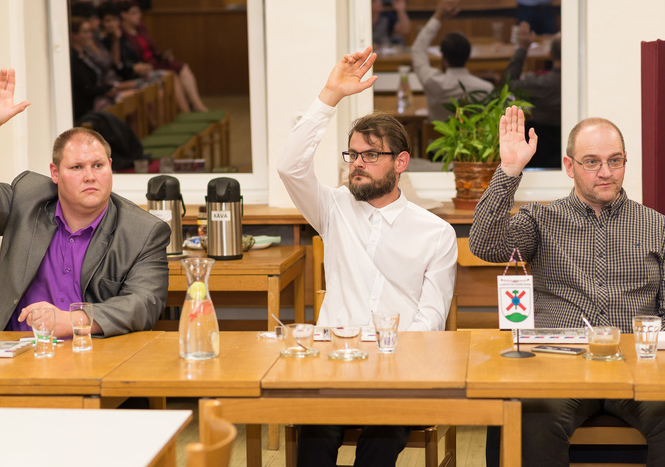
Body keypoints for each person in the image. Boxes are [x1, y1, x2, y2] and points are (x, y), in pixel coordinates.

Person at [277, 46, 457, 467]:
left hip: (398, 367)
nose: (357, 164)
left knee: (383, 433)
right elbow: (289, 167)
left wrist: (391, 361)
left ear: (401, 162)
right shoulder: (333, 208)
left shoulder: (436, 232)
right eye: (353, 154)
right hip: (332, 362)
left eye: (371, 155)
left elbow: (431, 318)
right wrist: (330, 95)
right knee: (314, 430)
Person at [469, 106, 665, 466]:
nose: (605, 172)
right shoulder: (540, 219)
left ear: (625, 161)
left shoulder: (657, 226)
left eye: (615, 160)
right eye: (591, 162)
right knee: (528, 416)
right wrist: (509, 171)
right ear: (569, 166)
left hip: (637, 366)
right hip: (558, 366)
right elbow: (484, 245)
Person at [0, 69, 172, 338]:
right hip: (14, 348)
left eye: (98, 165)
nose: (90, 176)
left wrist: (73, 320)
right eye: (76, 167)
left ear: (110, 166)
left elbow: (145, 303)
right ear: (55, 173)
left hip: (88, 351)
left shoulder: (142, 231)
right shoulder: (27, 200)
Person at [117, 1, 209, 113]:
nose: (139, 15)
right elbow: (127, 61)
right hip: (145, 68)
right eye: (134, 13)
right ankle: (186, 112)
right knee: (171, 76)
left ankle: (196, 104)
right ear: (123, 15)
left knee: (183, 67)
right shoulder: (121, 35)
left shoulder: (141, 28)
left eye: (139, 12)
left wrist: (163, 56)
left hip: (155, 61)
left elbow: (152, 48)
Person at [411, 0, 494, 123]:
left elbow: (417, 50)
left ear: (444, 58)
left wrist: (438, 16)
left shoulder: (432, 82)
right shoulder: (486, 89)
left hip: (437, 135)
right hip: (472, 135)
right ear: (468, 57)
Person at [505, 21, 561, 168]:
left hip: (540, 152)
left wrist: (522, 48)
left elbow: (509, 84)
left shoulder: (539, 83)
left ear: (549, 55)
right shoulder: (581, 84)